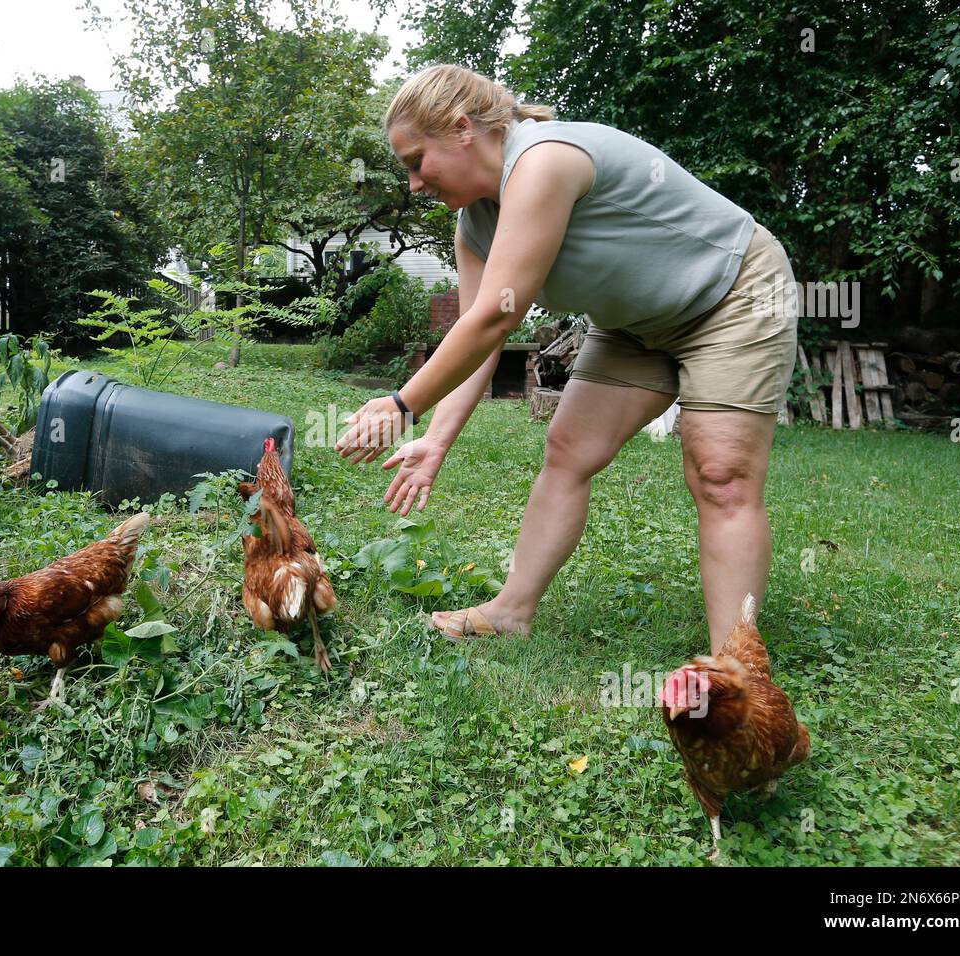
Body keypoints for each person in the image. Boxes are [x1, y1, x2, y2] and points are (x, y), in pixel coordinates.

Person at [334, 64, 799, 654]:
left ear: (460, 128)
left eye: (415, 161)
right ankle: (510, 611)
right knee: (568, 449)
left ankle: (738, 666)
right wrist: (437, 440)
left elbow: (495, 320)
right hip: (636, 325)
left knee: (721, 473)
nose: (414, 184)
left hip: (735, 293)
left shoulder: (545, 159)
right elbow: (483, 339)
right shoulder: (474, 224)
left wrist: (402, 404)